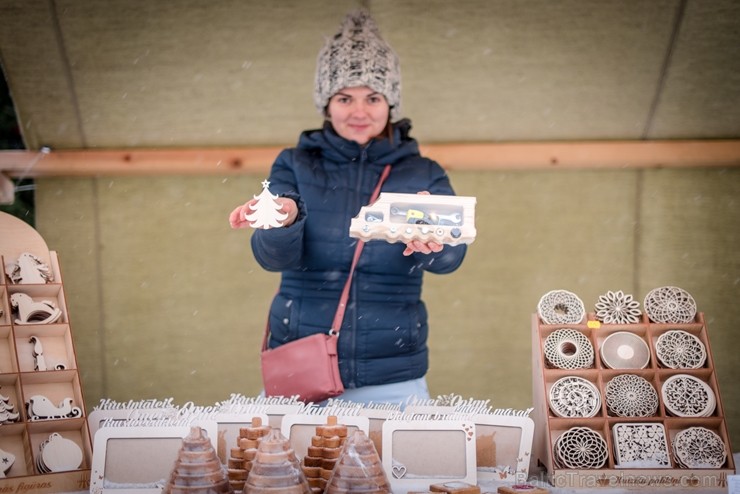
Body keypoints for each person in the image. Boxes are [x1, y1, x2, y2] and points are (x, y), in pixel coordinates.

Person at [229, 9, 468, 404]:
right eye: (345, 98)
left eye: (372, 97)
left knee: (398, 467)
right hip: (300, 363)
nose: (359, 112)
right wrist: (282, 219)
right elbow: (271, 258)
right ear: (326, 104)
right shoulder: (294, 163)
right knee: (283, 466)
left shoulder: (423, 172)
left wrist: (437, 240)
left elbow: (452, 256)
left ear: (390, 102)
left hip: (393, 373)